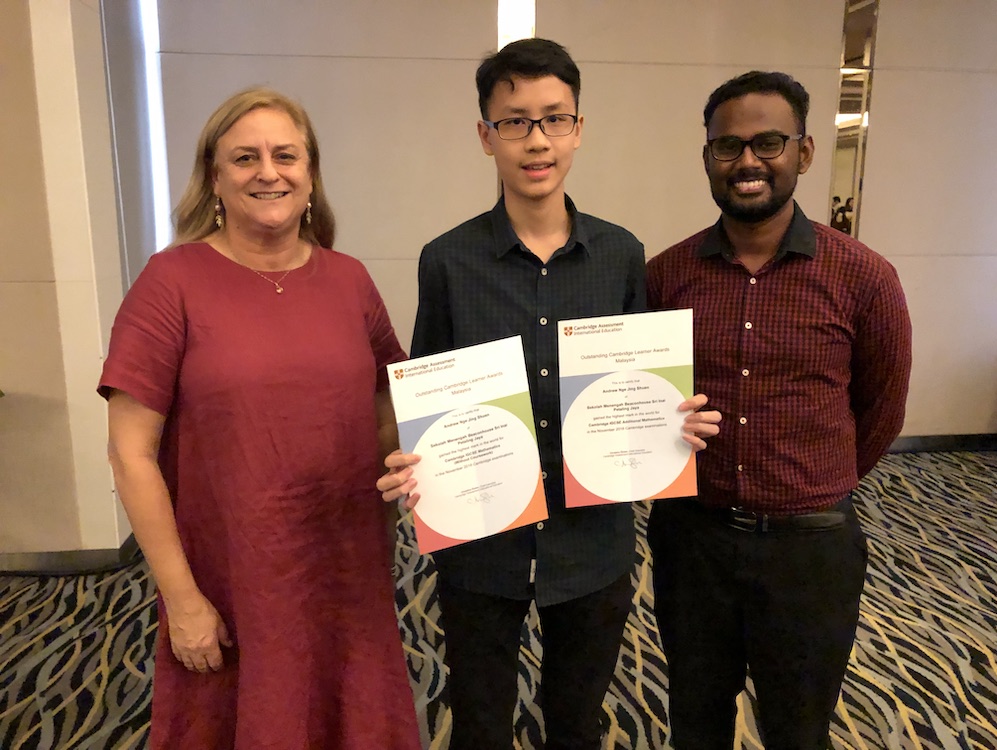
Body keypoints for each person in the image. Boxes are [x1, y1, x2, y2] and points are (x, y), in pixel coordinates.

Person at [376, 39, 721, 750]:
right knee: (479, 717)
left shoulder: (622, 254)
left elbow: (635, 384)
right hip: (480, 540)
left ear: (578, 129)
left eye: (554, 119)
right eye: (515, 121)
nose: (537, 140)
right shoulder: (447, 260)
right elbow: (431, 386)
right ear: (485, 135)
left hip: (591, 542)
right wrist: (415, 457)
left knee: (575, 718)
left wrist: (670, 423)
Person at [99, 87, 420, 749]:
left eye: (286, 155)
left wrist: (409, 461)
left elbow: (388, 409)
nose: (268, 171)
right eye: (245, 158)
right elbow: (130, 454)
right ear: (215, 179)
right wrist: (181, 602)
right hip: (231, 575)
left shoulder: (350, 279)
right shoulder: (171, 282)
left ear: (310, 176)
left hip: (344, 569)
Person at [645, 71, 912, 749]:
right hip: (693, 542)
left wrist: (813, 479)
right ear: (707, 156)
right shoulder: (666, 277)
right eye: (727, 147)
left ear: (806, 151)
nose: (748, 163)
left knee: (798, 730)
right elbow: (641, 399)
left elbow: (880, 412)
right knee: (694, 723)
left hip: (809, 551)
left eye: (769, 142)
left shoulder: (864, 277)